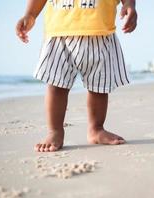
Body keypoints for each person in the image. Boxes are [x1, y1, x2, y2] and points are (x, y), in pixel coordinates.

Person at [15, 0, 137, 152]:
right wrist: (30, 14)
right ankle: (55, 131)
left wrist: (130, 4)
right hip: (60, 32)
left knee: (99, 86)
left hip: (100, 31)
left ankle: (96, 129)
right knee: (56, 84)